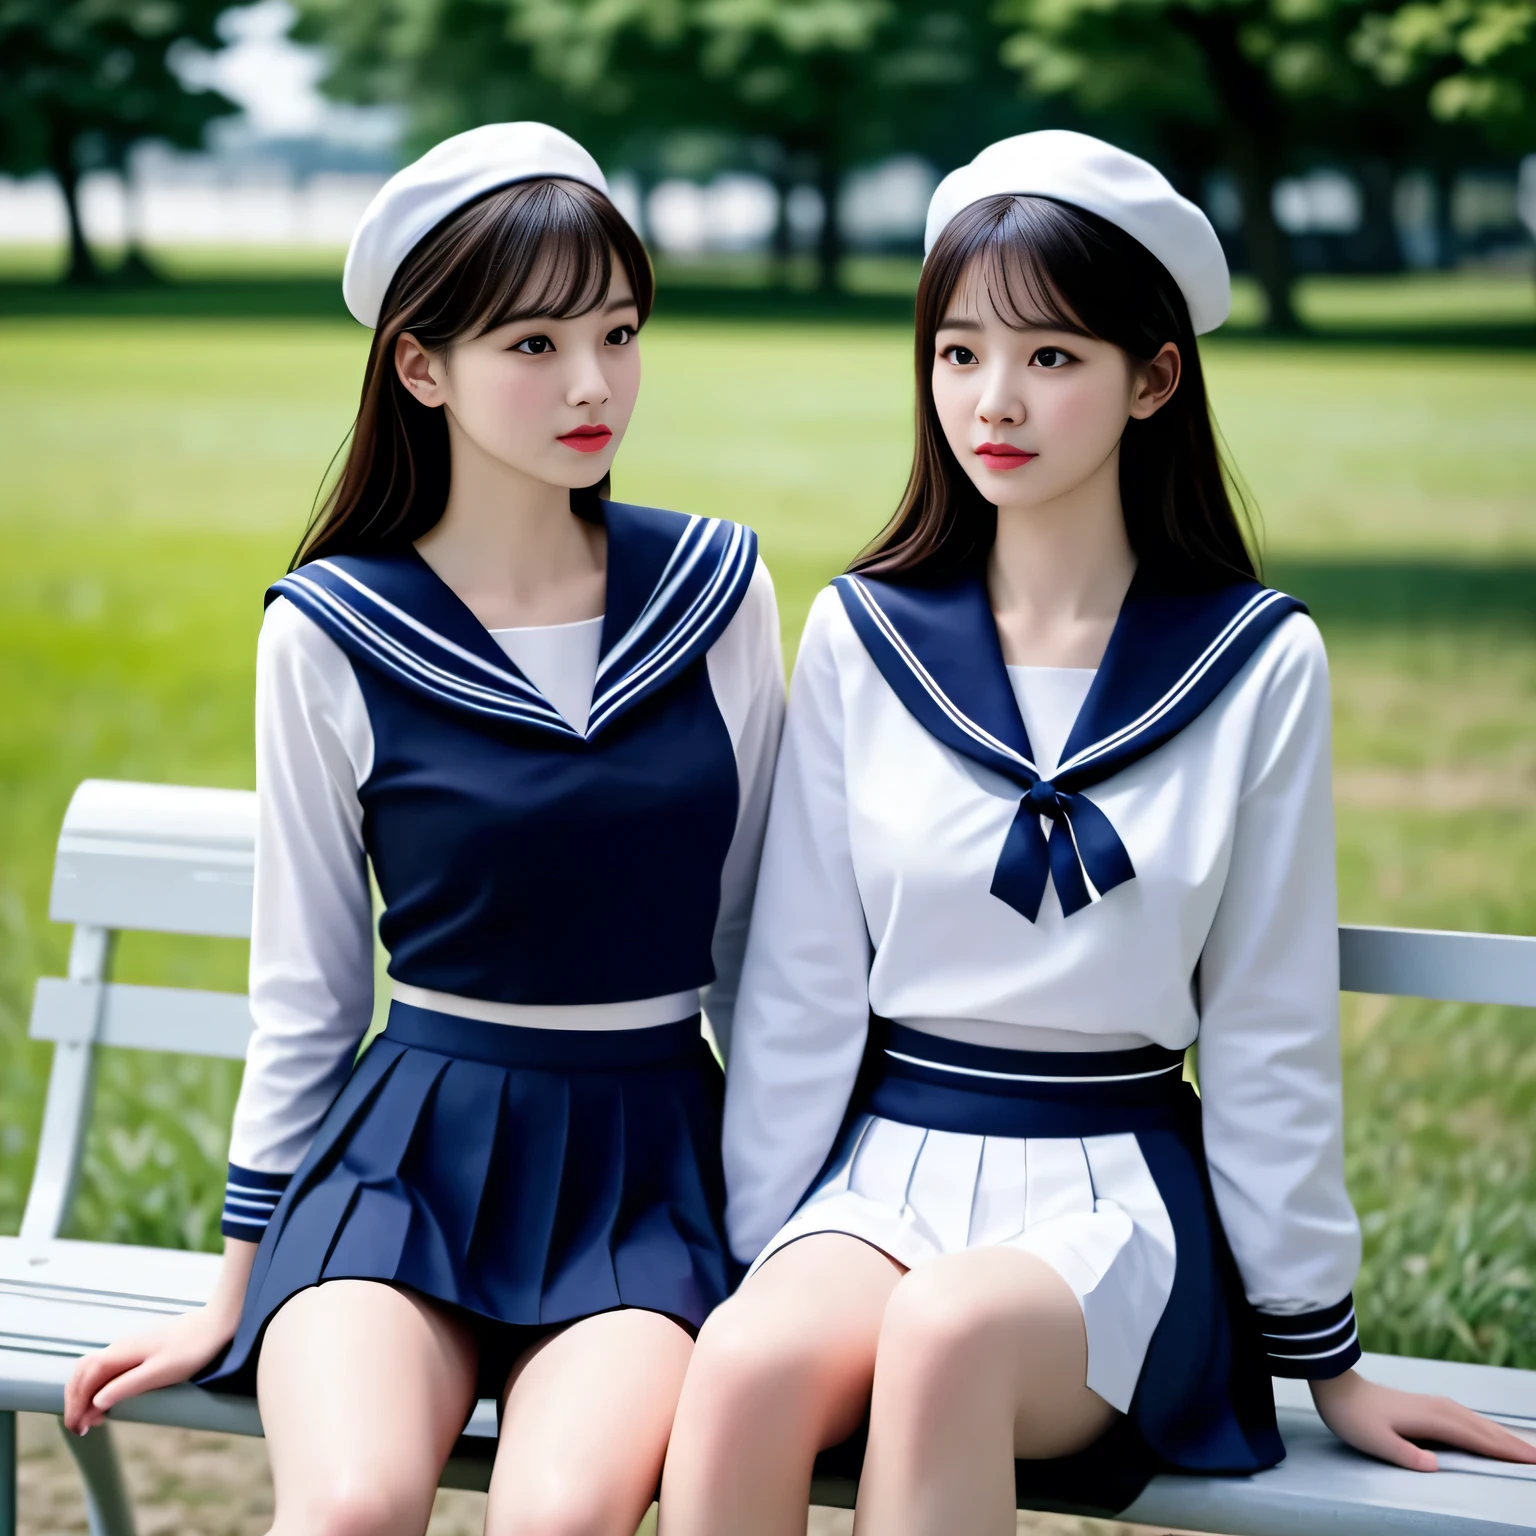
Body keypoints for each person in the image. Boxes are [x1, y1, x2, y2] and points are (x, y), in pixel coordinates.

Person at [658, 131, 1536, 1535]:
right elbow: (801, 985)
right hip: (886, 1170)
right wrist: (756, 1252)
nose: (993, 401)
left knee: (947, 1340)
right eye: (957, 353)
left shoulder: (1256, 666)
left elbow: (1268, 1025)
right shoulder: (864, 638)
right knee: (747, 1367)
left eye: (1052, 358)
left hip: (1113, 1197)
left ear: (1154, 378)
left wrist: (1326, 1350)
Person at [63, 121, 784, 1536]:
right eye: (532, 344)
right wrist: (234, 1284)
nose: (592, 383)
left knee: (558, 1519)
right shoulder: (329, 630)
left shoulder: (720, 592)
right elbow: (310, 989)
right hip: (408, 1161)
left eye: (620, 333)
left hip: (653, 1171)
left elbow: (765, 940)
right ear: (420, 365)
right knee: (347, 1510)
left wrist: (786, 1226)